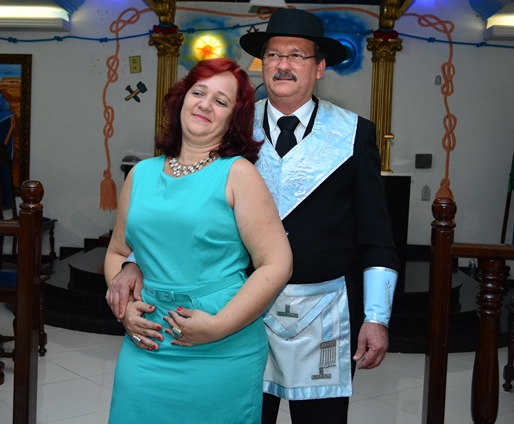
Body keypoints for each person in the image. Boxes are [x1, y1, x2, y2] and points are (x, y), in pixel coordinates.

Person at [106, 8, 400, 424]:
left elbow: (376, 234)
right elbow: (179, 207)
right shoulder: (230, 125)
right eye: (274, 54)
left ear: (319, 67)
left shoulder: (354, 133)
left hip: (323, 314)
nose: (283, 65)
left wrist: (376, 317)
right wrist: (133, 263)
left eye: (297, 55)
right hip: (239, 313)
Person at [104, 57, 292, 423]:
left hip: (221, 344)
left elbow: (277, 263)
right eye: (198, 93)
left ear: (233, 119)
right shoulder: (140, 174)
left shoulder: (238, 174)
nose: (205, 105)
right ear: (181, 99)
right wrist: (126, 308)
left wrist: (218, 326)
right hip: (147, 340)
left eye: (221, 101)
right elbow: (117, 252)